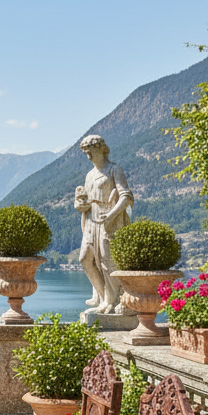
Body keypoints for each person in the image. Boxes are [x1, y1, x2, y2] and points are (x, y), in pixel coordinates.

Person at [74, 134, 133, 315]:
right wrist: (80, 205)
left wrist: (112, 215)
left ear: (101, 149)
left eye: (91, 152)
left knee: (108, 262)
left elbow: (126, 196)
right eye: (86, 153)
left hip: (109, 221)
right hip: (91, 221)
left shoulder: (114, 170)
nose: (89, 156)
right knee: (85, 258)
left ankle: (111, 299)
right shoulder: (90, 175)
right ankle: (102, 296)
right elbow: (83, 201)